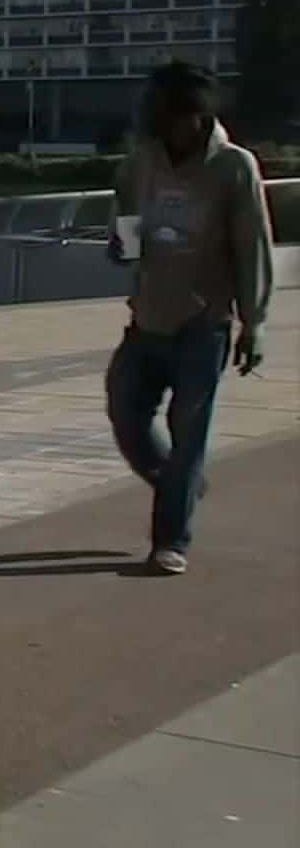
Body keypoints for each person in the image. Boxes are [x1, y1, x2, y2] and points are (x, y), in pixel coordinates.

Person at [106, 61, 274, 576]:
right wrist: (123, 247)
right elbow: (127, 216)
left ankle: (170, 539)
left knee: (189, 431)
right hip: (148, 315)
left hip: (204, 322)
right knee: (127, 416)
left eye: (166, 113)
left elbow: (253, 246)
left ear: (196, 117)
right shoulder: (142, 161)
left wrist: (255, 321)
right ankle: (181, 482)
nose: (156, 123)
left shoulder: (234, 167)